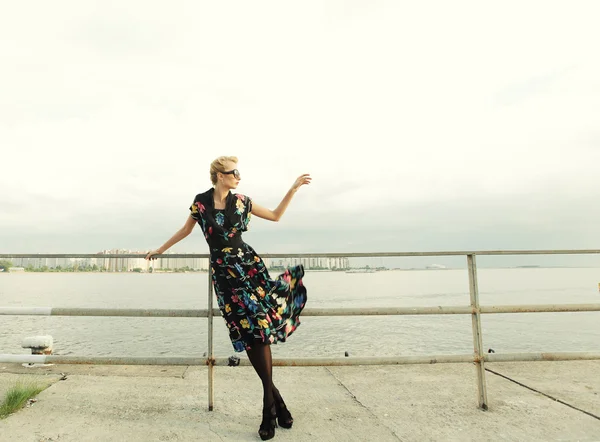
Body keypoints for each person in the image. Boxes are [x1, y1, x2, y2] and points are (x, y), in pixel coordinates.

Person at [145, 156, 310, 440]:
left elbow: (275, 215)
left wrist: (293, 189)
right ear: (220, 176)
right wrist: (159, 249)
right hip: (224, 277)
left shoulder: (243, 201)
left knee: (259, 330)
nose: (239, 177)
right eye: (234, 172)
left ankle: (268, 409)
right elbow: (185, 231)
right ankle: (278, 404)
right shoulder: (200, 203)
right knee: (249, 336)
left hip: (248, 269)